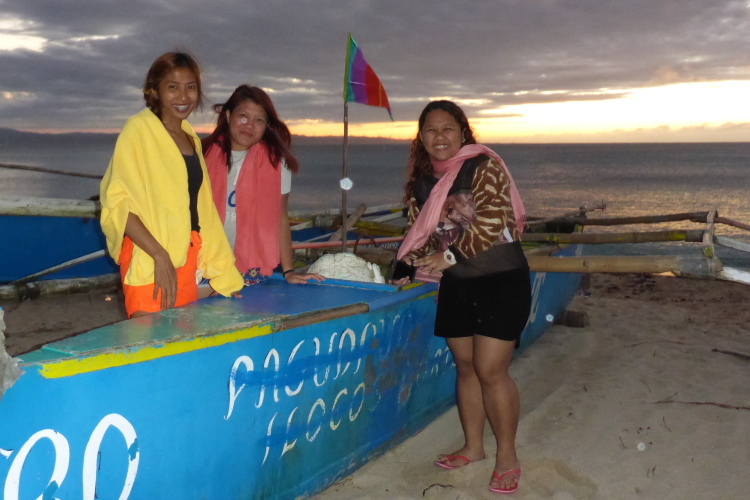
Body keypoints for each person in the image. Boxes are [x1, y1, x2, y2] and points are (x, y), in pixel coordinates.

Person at [394, 100, 531, 495]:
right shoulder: (422, 182)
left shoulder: (483, 166)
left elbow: (491, 220)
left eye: (448, 128)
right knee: (466, 367)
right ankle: (473, 447)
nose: (440, 137)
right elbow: (420, 234)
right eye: (431, 130)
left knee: (491, 370)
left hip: (500, 279)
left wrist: (449, 256)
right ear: (421, 137)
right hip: (457, 284)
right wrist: (407, 264)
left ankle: (507, 457)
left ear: (463, 132)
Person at [100, 52, 243, 318]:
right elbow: (117, 203)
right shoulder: (139, 130)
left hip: (186, 256)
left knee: (180, 337)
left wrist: (223, 274)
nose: (183, 96)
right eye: (173, 87)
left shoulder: (190, 137)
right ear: (154, 90)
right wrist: (159, 255)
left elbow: (202, 211)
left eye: (191, 87)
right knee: (149, 339)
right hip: (149, 257)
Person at [202, 85, 323, 285]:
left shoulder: (276, 163)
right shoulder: (202, 155)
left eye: (259, 120)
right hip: (204, 265)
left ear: (266, 125)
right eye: (243, 116)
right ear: (229, 115)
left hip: (251, 270)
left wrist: (289, 271)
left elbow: (280, 216)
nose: (249, 125)